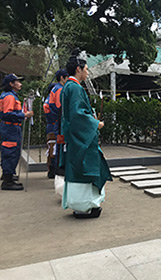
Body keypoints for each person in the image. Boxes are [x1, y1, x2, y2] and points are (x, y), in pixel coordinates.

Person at [60, 49, 112, 218]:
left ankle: (86, 205)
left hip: (76, 137)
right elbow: (78, 115)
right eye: (86, 69)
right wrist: (96, 123)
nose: (88, 72)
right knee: (86, 168)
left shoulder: (69, 87)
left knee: (82, 169)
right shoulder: (74, 88)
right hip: (80, 138)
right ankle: (85, 206)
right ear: (78, 69)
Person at [0, 74, 34, 190]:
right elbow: (7, 114)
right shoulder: (9, 97)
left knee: (12, 151)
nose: (20, 84)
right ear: (11, 84)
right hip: (11, 128)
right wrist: (23, 115)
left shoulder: (10, 96)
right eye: (17, 82)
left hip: (11, 128)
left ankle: (8, 175)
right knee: (10, 151)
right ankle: (7, 181)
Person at [43, 69, 68, 178]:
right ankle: (55, 170)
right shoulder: (59, 90)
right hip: (56, 124)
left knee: (54, 147)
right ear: (62, 78)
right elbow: (59, 109)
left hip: (53, 123)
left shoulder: (55, 91)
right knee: (56, 147)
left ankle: (54, 169)